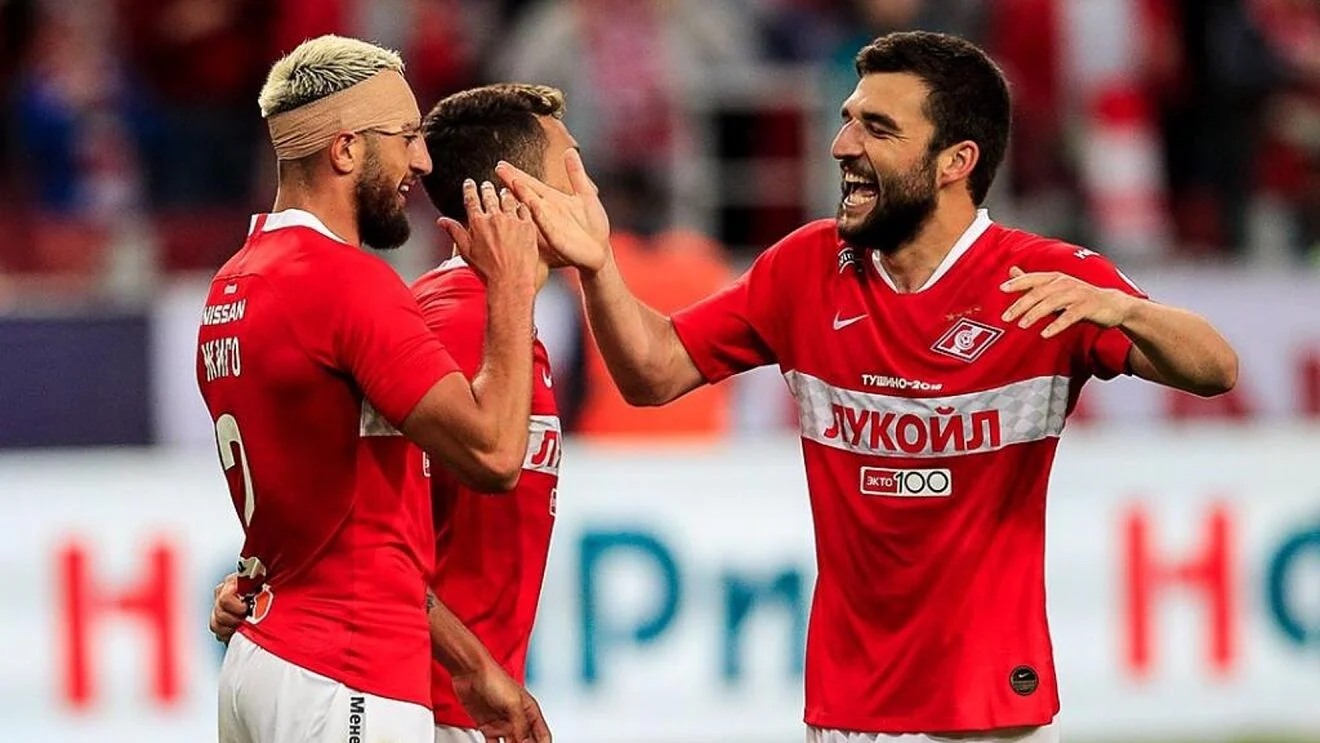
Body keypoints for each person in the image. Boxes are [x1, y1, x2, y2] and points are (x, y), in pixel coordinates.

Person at [497, 30, 1239, 743]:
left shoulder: (1042, 280)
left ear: (955, 161)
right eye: (849, 119)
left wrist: (1125, 309)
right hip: (846, 708)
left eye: (877, 129)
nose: (841, 145)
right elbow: (652, 373)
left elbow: (1215, 370)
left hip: (988, 711)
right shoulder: (804, 268)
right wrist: (597, 267)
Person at [196, 36, 546, 743]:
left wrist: (470, 666)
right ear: (347, 148)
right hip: (346, 671)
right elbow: (494, 454)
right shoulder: (344, 283)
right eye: (407, 137)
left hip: (264, 655)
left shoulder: (231, 286)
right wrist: (510, 288)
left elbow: (327, 505)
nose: (422, 161)